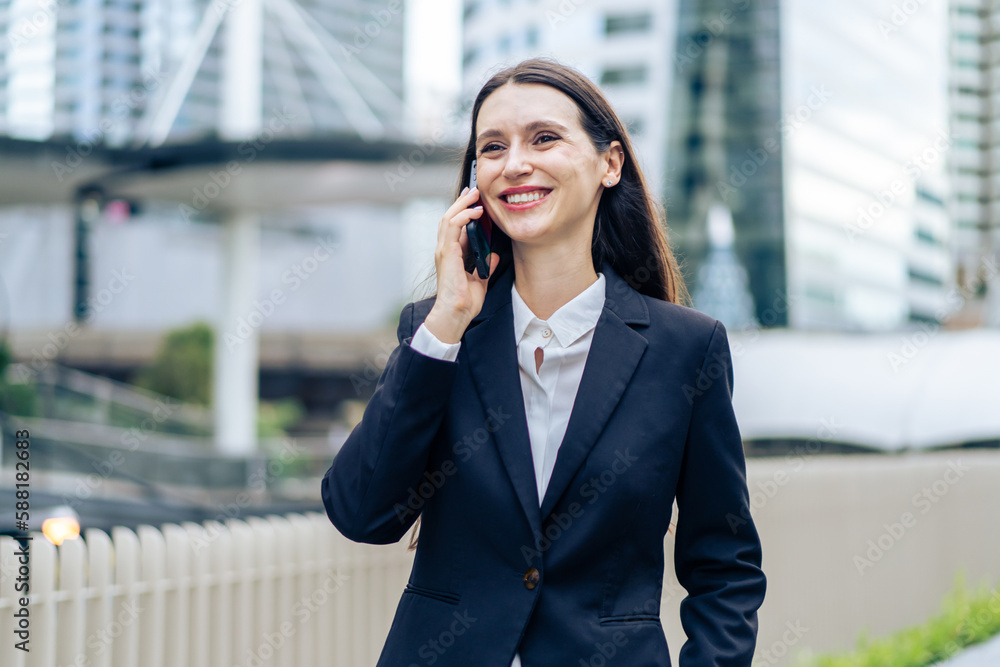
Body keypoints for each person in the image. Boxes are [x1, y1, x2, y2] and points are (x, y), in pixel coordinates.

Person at [321, 57, 766, 667]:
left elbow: (726, 564)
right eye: (493, 147)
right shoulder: (437, 335)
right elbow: (361, 513)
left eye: (545, 138)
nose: (516, 164)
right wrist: (447, 321)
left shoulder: (685, 349)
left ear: (610, 163)